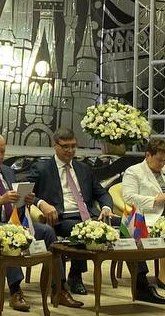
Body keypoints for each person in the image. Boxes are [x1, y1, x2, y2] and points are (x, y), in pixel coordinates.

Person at [0, 132, 71, 311]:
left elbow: (16, 202)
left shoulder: (8, 171)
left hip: (15, 221)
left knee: (47, 232)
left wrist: (26, 200)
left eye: (2, 152)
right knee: (10, 235)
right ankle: (16, 291)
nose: (0, 156)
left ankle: (59, 288)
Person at [24, 128, 130, 304]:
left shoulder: (83, 168)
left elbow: (101, 193)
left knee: (128, 225)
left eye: (73, 146)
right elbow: (24, 192)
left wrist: (106, 207)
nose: (70, 151)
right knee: (81, 230)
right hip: (61, 218)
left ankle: (140, 282)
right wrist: (41, 203)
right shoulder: (42, 168)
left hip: (89, 216)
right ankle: (74, 277)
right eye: (65, 147)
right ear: (55, 146)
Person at [121, 136, 165, 299]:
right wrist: (155, 200)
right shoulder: (134, 172)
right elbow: (128, 197)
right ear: (148, 155)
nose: (162, 164)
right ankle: (163, 275)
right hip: (149, 216)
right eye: (159, 160)